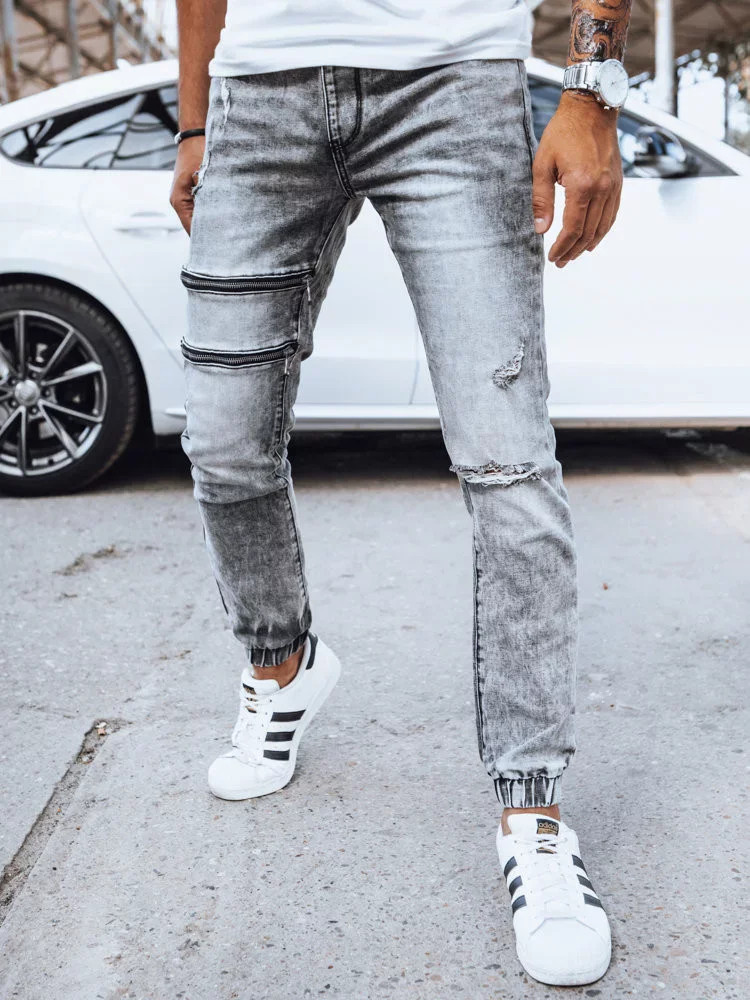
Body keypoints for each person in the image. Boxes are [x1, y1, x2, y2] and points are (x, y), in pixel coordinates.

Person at [170, 0, 632, 987]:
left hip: (451, 81)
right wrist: (196, 119)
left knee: (508, 464)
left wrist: (591, 89)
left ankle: (534, 810)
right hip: (259, 94)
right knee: (222, 440)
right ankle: (283, 666)